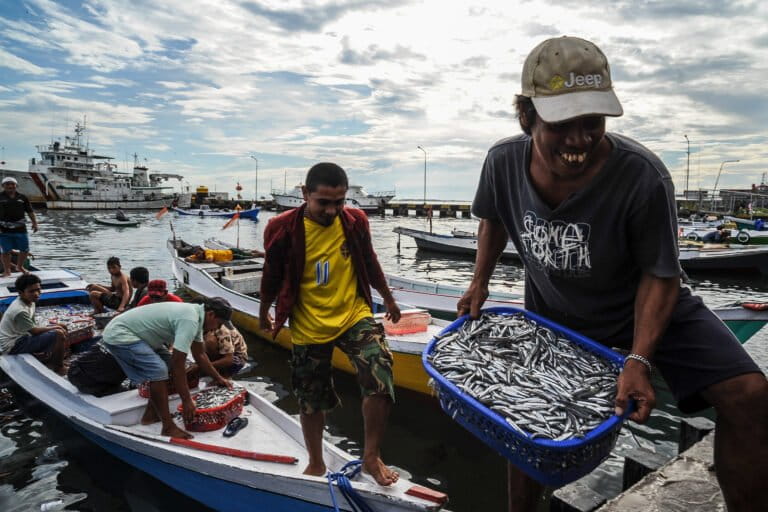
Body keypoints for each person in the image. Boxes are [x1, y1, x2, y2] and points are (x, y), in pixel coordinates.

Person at [458, 36, 767, 512]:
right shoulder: (502, 161)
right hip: (554, 318)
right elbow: (492, 218)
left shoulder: (642, 175)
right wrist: (478, 281)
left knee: (749, 395)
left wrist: (639, 360)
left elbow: (661, 274)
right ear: (527, 117)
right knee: (523, 423)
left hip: (643, 308)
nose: (579, 140)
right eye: (563, 124)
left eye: (592, 123)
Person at [259, 162, 402, 486]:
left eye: (339, 202)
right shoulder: (281, 228)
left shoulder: (355, 220)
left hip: (353, 314)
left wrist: (388, 299)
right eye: (324, 202)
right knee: (311, 398)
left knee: (379, 371)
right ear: (305, 194)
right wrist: (264, 310)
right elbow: (272, 274)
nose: (333, 210)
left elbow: (369, 262)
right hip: (309, 323)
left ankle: (371, 456)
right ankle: (316, 463)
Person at [101, 297, 234, 439]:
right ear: (211, 314)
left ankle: (150, 415)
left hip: (141, 336)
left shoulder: (197, 317)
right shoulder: (190, 320)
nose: (218, 328)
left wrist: (218, 378)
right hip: (120, 334)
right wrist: (187, 400)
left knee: (167, 365)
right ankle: (168, 427)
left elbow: (200, 354)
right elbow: (178, 363)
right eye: (219, 323)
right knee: (158, 370)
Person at [0, 274, 67, 374]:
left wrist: (55, 327)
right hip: (12, 346)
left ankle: (53, 355)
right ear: (21, 293)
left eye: (38, 289)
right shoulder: (19, 310)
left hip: (22, 336)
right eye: (31, 291)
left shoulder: (30, 301)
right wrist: (55, 327)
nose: (36, 294)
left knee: (61, 327)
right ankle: (59, 367)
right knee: (58, 333)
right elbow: (35, 331)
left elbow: (32, 325)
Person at [0, 176, 38, 277]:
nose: (10, 186)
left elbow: (30, 211)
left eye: (12, 184)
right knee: (5, 251)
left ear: (16, 185)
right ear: (3, 186)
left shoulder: (23, 197)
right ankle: (7, 271)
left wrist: (34, 223)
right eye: (7, 184)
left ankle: (19, 266)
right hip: (3, 229)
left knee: (24, 250)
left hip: (21, 228)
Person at [185, 246, 263, 262]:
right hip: (231, 255)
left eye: (199, 253)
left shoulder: (208, 252)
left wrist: (197, 261)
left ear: (202, 250)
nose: (198, 255)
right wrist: (191, 259)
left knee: (248, 256)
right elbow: (187, 258)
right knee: (246, 254)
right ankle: (254, 251)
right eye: (196, 254)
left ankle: (259, 254)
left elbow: (210, 260)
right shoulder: (197, 255)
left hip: (232, 253)